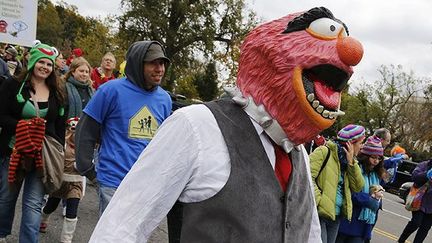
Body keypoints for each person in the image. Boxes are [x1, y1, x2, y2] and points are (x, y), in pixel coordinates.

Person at [88, 7, 364, 242]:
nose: (352, 53)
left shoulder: (300, 156)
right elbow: (120, 228)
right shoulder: (196, 125)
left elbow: (309, 234)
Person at [75, 41, 172, 216]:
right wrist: (87, 169)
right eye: (153, 63)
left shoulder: (164, 99)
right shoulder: (110, 91)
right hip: (113, 181)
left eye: (162, 63)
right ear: (137, 63)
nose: (160, 69)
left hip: (145, 185)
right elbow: (86, 130)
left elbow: (163, 144)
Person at [0, 41, 66, 243]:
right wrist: (24, 126)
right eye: (41, 62)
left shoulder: (57, 91)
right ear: (33, 62)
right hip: (12, 151)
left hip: (41, 156)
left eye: (49, 64)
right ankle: (1, 233)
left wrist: (58, 149)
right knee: (5, 199)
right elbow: (1, 116)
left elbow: (60, 125)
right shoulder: (13, 85)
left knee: (33, 203)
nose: (45, 67)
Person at [39, 57, 94, 243]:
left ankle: (66, 239)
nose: (84, 74)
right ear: (73, 71)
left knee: (73, 203)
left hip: (83, 142)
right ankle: (43, 217)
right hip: (64, 138)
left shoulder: (91, 92)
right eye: (81, 71)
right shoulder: (64, 88)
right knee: (54, 200)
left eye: (87, 71)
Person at [310, 124, 366, 243]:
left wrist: (352, 164)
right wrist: (319, 201)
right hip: (319, 214)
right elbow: (306, 177)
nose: (362, 147)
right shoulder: (324, 152)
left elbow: (358, 187)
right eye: (361, 143)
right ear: (350, 143)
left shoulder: (350, 162)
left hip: (336, 217)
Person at [336, 136, 387, 243]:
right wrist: (370, 200)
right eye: (373, 157)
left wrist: (377, 199)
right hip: (347, 221)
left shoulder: (377, 175)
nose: (376, 161)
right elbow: (350, 192)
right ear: (365, 156)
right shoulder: (356, 168)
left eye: (379, 158)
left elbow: (376, 203)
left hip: (364, 225)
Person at [398, 159, 432, 243]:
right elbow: (414, 177)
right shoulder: (425, 165)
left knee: (425, 228)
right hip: (420, 200)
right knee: (416, 222)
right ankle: (401, 240)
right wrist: (427, 174)